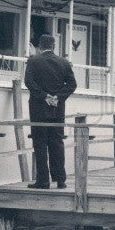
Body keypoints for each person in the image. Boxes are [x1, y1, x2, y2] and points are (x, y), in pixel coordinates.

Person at [24, 33, 77, 189]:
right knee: (57, 143)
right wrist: (57, 97)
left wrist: (44, 96)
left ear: (40, 46)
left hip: (38, 109)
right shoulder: (64, 63)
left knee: (40, 144)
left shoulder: (33, 61)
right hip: (57, 110)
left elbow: (29, 82)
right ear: (54, 46)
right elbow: (72, 84)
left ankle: (43, 180)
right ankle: (60, 180)